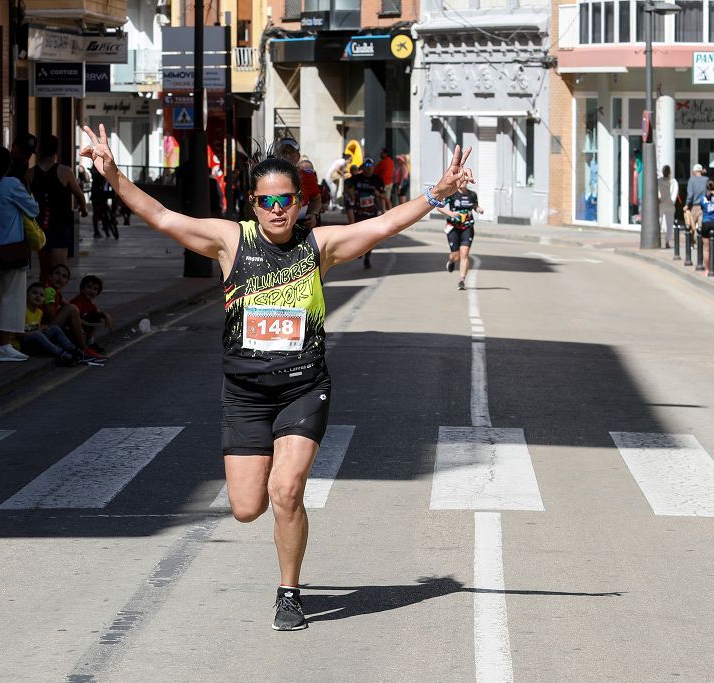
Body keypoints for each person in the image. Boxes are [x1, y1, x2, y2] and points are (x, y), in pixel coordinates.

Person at [79, 122, 473, 632]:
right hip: (244, 393)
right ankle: (278, 525)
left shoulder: (320, 245)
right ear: (252, 204)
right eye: (268, 202)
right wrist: (111, 175)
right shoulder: (229, 242)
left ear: (300, 202)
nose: (278, 210)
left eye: (287, 200)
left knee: (286, 490)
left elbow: (382, 226)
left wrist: (434, 194)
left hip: (303, 387)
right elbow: (160, 215)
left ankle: (289, 593)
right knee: (246, 508)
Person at [0, 146, 38, 362]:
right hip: (12, 251)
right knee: (12, 298)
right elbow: (33, 209)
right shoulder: (11, 185)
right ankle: (3, 345)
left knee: (0, 297)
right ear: (7, 164)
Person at [28, 135, 89, 283]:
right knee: (59, 271)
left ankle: (42, 303)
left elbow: (26, 200)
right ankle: (52, 302)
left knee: (44, 269)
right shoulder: (64, 171)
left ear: (40, 151)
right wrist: (83, 209)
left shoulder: (30, 173)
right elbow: (79, 195)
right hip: (59, 225)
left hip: (40, 225)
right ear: (56, 151)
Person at [15, 282, 91, 367]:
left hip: (36, 343)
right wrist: (38, 330)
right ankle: (62, 354)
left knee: (54, 328)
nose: (38, 296)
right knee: (37, 334)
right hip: (24, 345)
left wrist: (42, 328)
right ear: (27, 295)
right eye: (34, 293)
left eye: (42, 295)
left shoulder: (39, 312)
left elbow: (32, 327)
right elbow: (18, 335)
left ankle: (75, 351)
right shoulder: (22, 311)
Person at [42, 263, 106, 361]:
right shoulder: (49, 291)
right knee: (72, 308)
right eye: (57, 274)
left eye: (64, 276)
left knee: (72, 310)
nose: (60, 277)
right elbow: (50, 317)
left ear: (66, 282)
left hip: (51, 328)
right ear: (50, 277)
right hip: (46, 330)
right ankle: (84, 350)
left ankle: (85, 347)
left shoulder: (56, 293)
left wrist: (79, 325)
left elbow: (70, 308)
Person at [438, 179, 483, 290]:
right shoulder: (452, 194)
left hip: (467, 227)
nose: (462, 182)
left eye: (464, 181)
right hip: (453, 227)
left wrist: (479, 209)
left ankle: (462, 280)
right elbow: (439, 206)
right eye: (460, 181)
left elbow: (475, 206)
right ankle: (452, 261)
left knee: (465, 254)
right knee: (456, 255)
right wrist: (450, 213)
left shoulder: (472, 194)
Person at [344, 157, 387, 269]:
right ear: (363, 167)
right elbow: (346, 186)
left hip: (372, 212)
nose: (368, 169)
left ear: (373, 167)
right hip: (359, 211)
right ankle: (360, 251)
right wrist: (350, 193)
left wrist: (383, 209)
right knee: (358, 234)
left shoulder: (377, 180)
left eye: (371, 167)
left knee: (371, 237)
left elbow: (384, 196)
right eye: (366, 167)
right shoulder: (357, 178)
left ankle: (367, 257)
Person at [273, 138, 321, 228]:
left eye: (291, 152)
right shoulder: (269, 176)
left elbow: (316, 198)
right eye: (284, 152)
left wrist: (313, 214)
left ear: (298, 156)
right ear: (277, 155)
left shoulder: (307, 176)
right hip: (276, 224)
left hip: (301, 225)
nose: (287, 156)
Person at [69, 274, 116, 354]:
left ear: (97, 293)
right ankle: (86, 344)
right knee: (94, 317)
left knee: (96, 315)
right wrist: (88, 324)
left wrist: (106, 316)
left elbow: (98, 312)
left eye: (95, 289)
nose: (91, 291)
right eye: (89, 287)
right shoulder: (78, 301)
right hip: (71, 330)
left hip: (81, 330)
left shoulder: (89, 303)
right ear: (82, 289)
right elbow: (73, 318)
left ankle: (90, 343)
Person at [685, 163, 709, 243]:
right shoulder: (706, 179)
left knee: (691, 225)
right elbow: (708, 192)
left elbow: (690, 194)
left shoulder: (692, 180)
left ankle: (691, 242)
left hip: (694, 206)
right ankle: (700, 242)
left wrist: (687, 204)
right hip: (703, 206)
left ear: (694, 171)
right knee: (701, 225)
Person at [659, 165, 678, 249]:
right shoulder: (673, 182)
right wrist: (671, 200)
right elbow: (675, 193)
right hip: (667, 205)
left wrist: (659, 199)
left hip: (662, 204)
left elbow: (657, 191)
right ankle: (666, 241)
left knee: (663, 223)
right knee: (668, 224)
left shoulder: (660, 181)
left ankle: (663, 240)